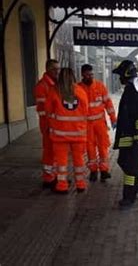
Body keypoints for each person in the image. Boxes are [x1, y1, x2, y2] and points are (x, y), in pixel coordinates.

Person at [112, 60, 138, 207]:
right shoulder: (131, 87)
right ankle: (135, 188)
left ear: (127, 73)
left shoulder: (136, 87)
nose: (119, 78)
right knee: (124, 163)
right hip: (127, 136)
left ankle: (131, 194)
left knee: (131, 167)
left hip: (135, 138)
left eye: (121, 74)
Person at [45, 68, 89, 193]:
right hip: (78, 134)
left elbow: (48, 111)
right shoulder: (80, 91)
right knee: (79, 161)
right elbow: (86, 111)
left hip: (60, 135)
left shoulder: (54, 91)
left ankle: (62, 185)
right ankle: (81, 184)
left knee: (61, 162)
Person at [78, 64, 117, 182]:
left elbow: (108, 104)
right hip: (86, 124)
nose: (90, 76)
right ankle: (93, 171)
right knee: (89, 148)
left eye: (92, 74)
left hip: (100, 123)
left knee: (103, 146)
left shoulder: (100, 86)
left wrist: (113, 119)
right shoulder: (78, 88)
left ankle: (104, 170)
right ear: (82, 74)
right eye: (88, 74)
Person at [34, 59, 61, 188]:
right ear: (48, 70)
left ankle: (54, 177)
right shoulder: (42, 86)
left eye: (58, 69)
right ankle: (48, 179)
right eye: (54, 69)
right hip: (48, 124)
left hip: (54, 124)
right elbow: (46, 108)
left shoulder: (53, 85)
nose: (57, 72)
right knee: (49, 152)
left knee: (55, 152)